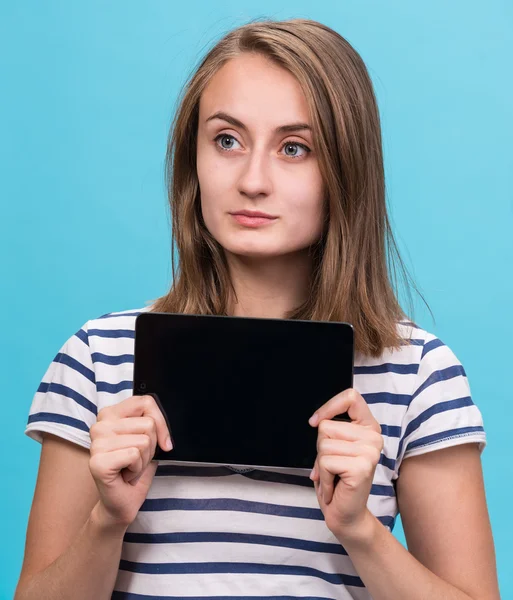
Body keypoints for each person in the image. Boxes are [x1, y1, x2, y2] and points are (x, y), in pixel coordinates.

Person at [15, 18, 500, 600]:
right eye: (227, 140)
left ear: (345, 171)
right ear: (191, 158)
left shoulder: (419, 374)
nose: (252, 180)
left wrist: (358, 530)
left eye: (294, 148)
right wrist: (107, 520)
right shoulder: (97, 358)